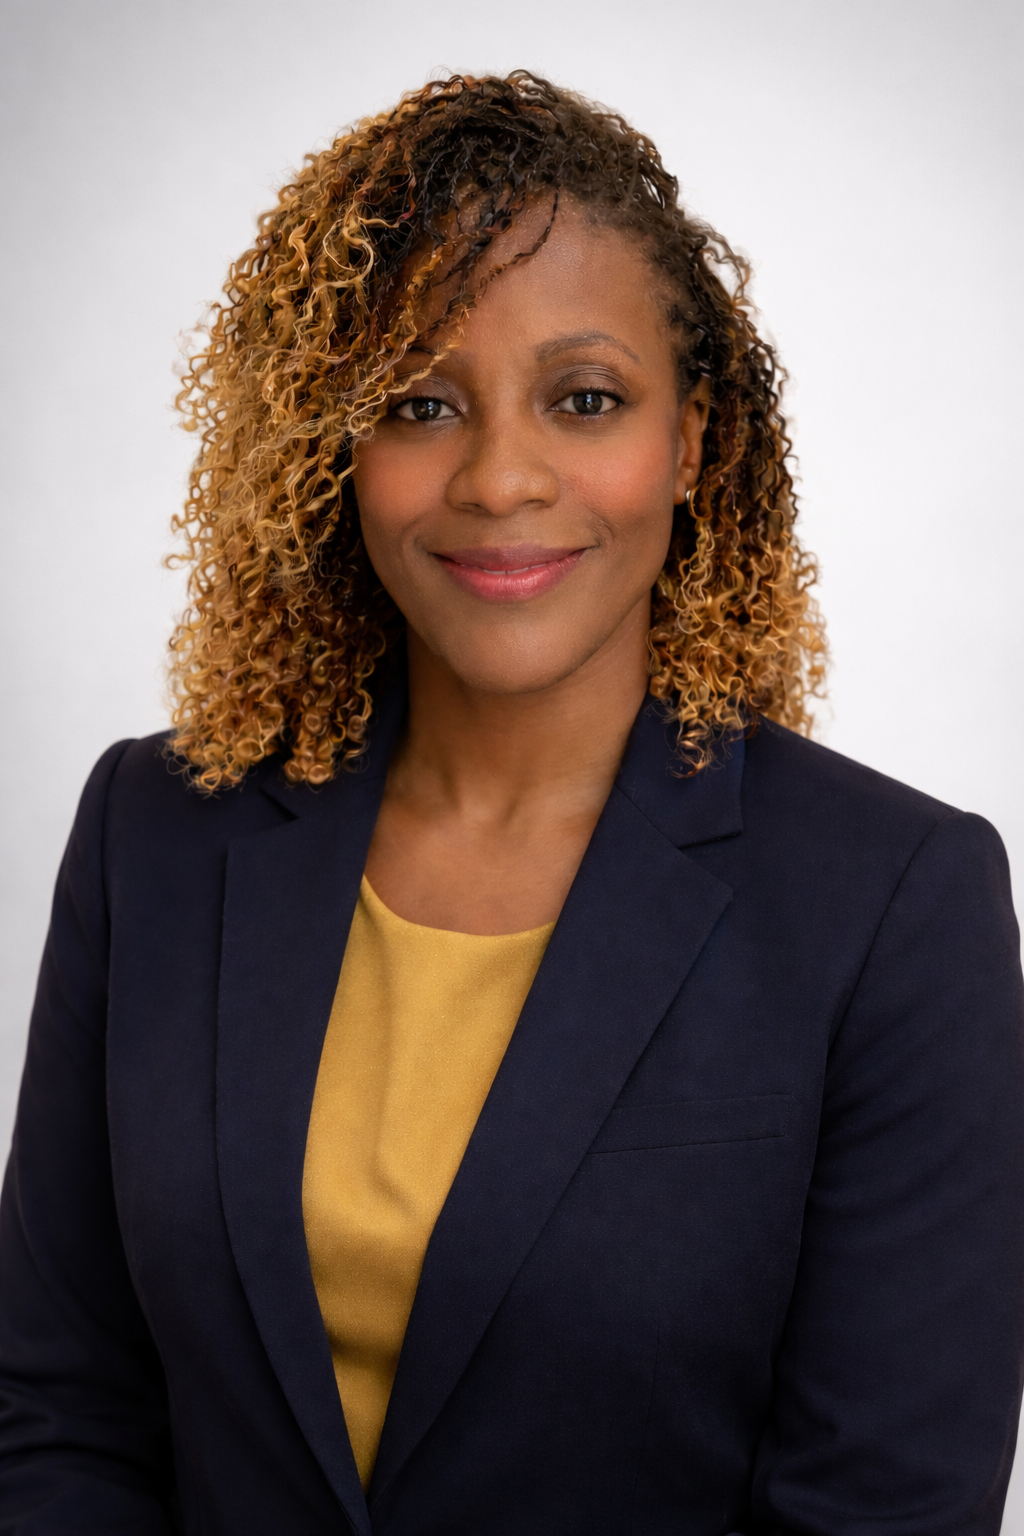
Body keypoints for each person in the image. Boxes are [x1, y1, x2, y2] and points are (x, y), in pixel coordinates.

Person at [0, 70, 1021, 1536]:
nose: (499, 478)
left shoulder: (894, 905)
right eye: (420, 404)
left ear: (696, 443)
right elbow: (59, 1409)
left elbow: (884, 1507)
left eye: (585, 399)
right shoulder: (155, 828)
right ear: (334, 452)